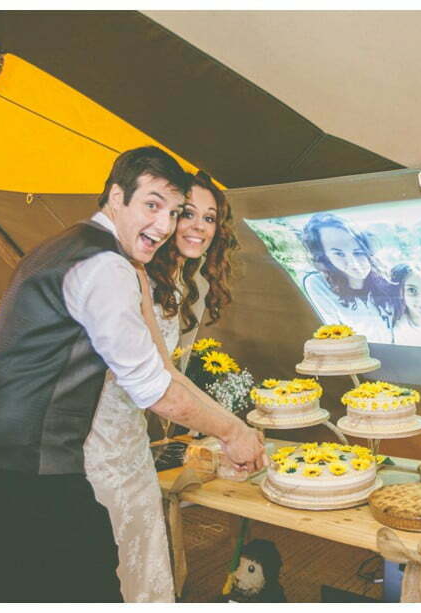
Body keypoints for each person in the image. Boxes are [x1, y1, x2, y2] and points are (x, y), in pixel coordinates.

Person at [0, 147, 266, 603]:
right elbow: (155, 389)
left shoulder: (64, 247)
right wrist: (233, 430)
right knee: (92, 588)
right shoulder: (106, 266)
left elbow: (158, 369)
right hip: (32, 473)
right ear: (116, 196)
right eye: (152, 205)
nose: (165, 225)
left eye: (173, 212)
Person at [85, 169, 237, 602]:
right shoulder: (128, 275)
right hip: (94, 438)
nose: (198, 228)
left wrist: (226, 425)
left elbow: (173, 372)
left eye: (210, 219)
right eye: (186, 213)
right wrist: (231, 429)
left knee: (144, 562)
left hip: (131, 441)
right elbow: (156, 377)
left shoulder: (190, 284)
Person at [300, 213, 393, 342]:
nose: (354, 264)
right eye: (338, 254)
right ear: (325, 257)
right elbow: (335, 336)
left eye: (358, 252)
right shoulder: (318, 284)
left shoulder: (387, 275)